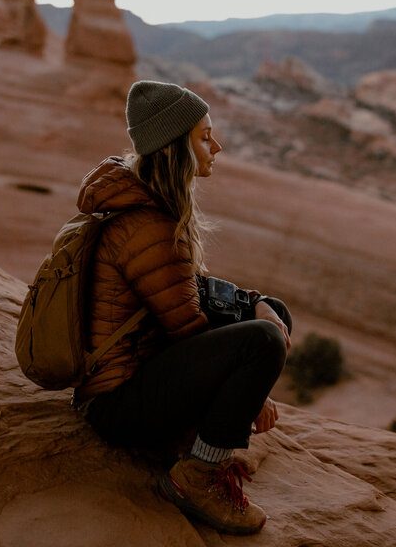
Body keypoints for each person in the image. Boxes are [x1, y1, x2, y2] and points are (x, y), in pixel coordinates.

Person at [72, 80, 291, 536]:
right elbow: (187, 327)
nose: (217, 146)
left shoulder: (148, 201)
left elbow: (188, 288)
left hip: (141, 375)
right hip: (116, 405)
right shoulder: (147, 225)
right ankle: (199, 476)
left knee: (272, 315)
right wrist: (252, 395)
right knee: (264, 342)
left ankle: (198, 440)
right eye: (204, 137)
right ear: (176, 148)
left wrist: (256, 304)